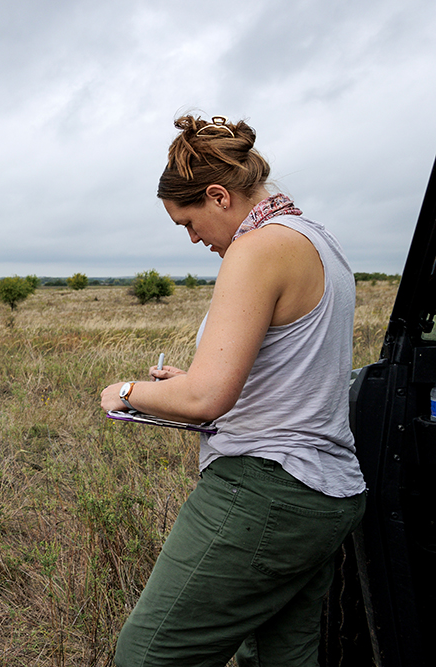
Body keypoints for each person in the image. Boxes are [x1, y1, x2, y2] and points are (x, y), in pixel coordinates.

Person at [99, 115, 366, 667]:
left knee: (147, 655)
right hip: (326, 493)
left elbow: (206, 401)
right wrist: (191, 383)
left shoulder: (258, 247)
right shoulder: (319, 241)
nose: (195, 238)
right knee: (280, 655)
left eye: (189, 222)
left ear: (218, 195)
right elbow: (288, 376)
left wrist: (127, 391)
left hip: (266, 489)